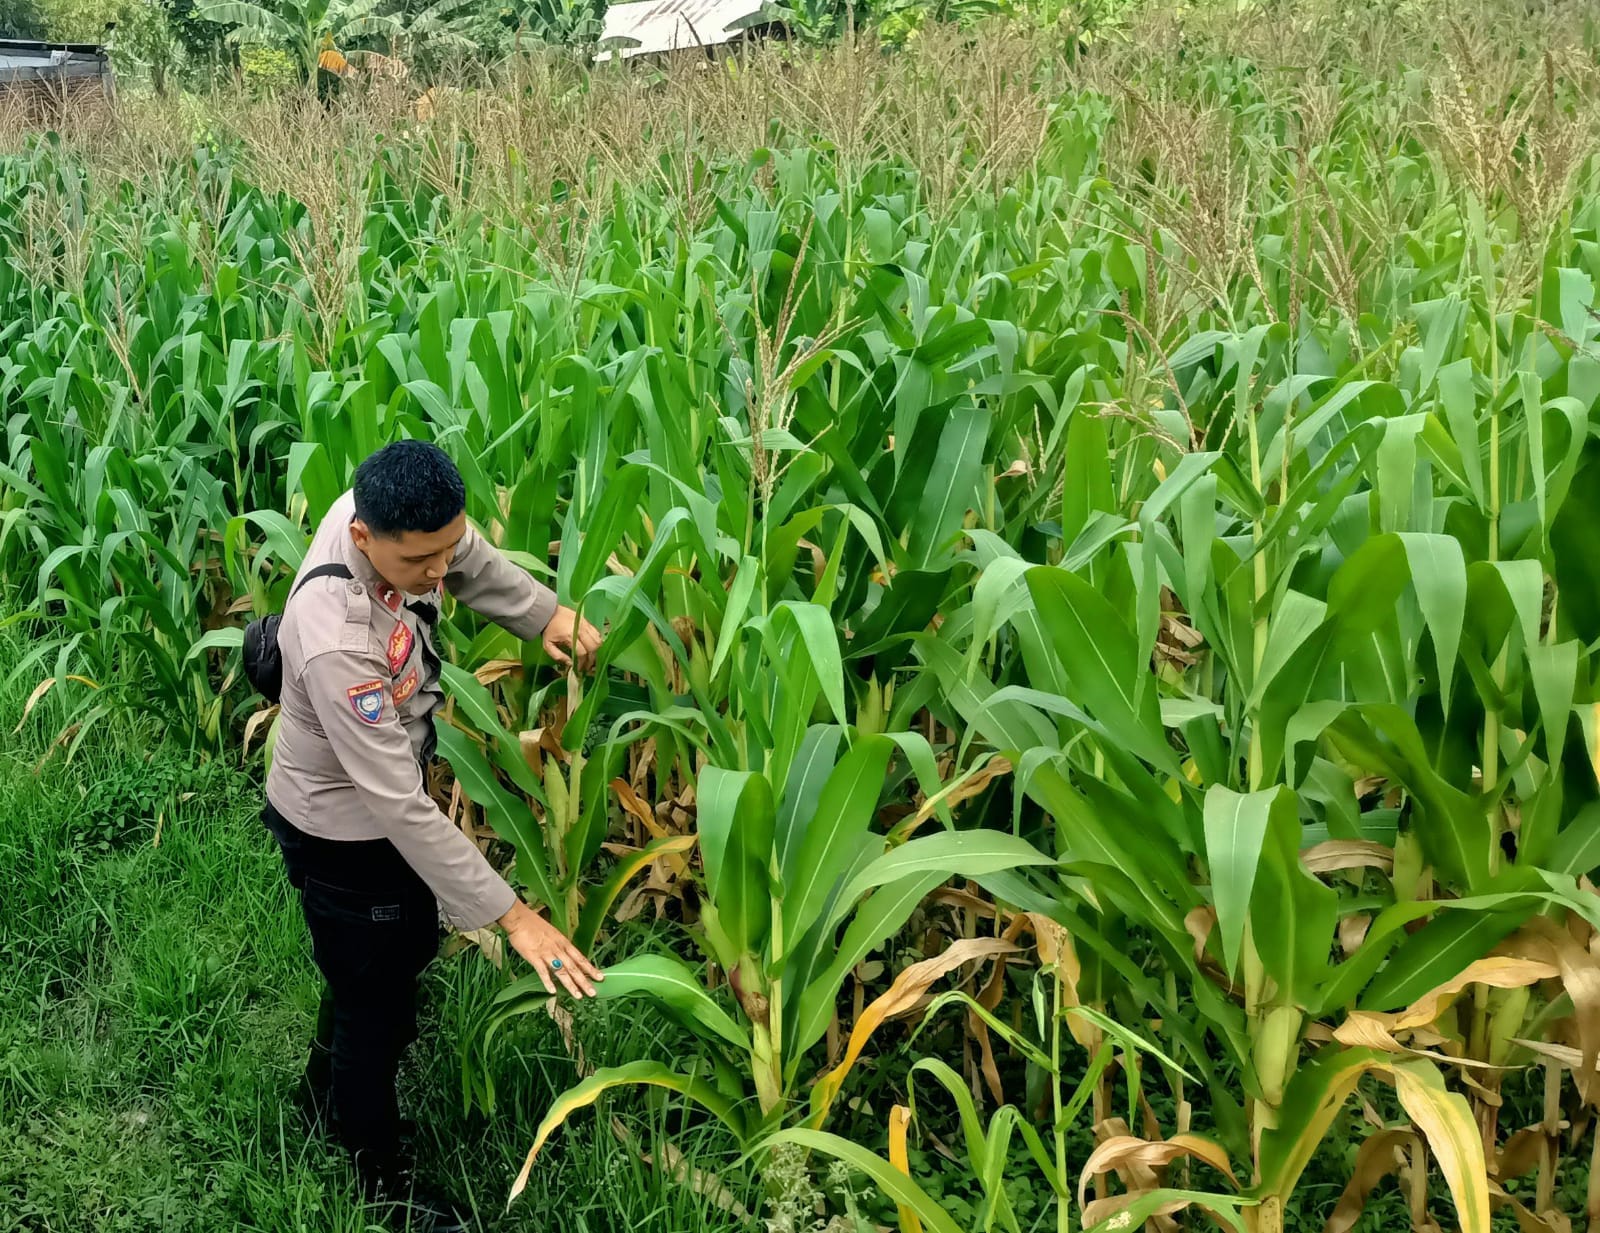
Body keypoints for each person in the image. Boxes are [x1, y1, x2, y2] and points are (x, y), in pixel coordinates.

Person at [262, 440, 604, 1232]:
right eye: (421, 562)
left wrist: (544, 611)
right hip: (341, 826)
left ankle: (322, 1099)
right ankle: (378, 1174)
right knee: (378, 1000)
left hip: (372, 804)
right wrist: (514, 916)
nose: (441, 573)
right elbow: (400, 810)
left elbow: (471, 556)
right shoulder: (339, 640)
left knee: (368, 975)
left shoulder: (396, 515)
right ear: (362, 539)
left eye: (447, 549)